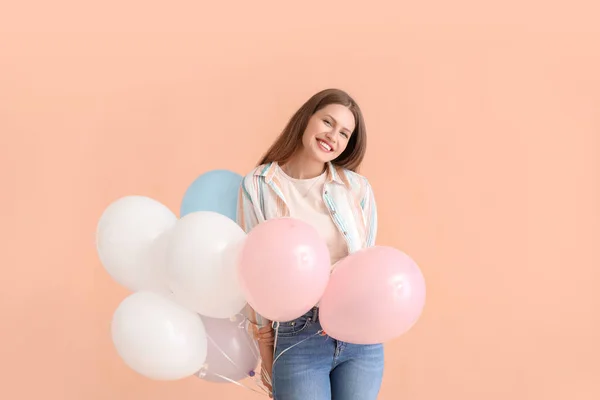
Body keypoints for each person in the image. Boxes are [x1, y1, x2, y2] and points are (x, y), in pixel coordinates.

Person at [237, 88, 383, 400]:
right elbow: (253, 273)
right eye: (327, 122)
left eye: (344, 133)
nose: (333, 136)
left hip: (361, 337)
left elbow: (368, 265)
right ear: (307, 118)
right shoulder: (259, 185)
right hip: (298, 336)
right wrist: (265, 348)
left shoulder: (356, 189)